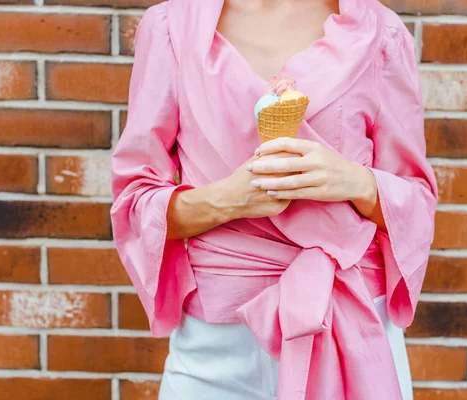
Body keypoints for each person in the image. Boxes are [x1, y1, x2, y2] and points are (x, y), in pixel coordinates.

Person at [110, 0, 438, 399]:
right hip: (215, 352)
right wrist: (226, 200)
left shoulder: (379, 32)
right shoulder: (171, 28)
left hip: (348, 330)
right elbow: (134, 202)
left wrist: (354, 181)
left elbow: (416, 204)